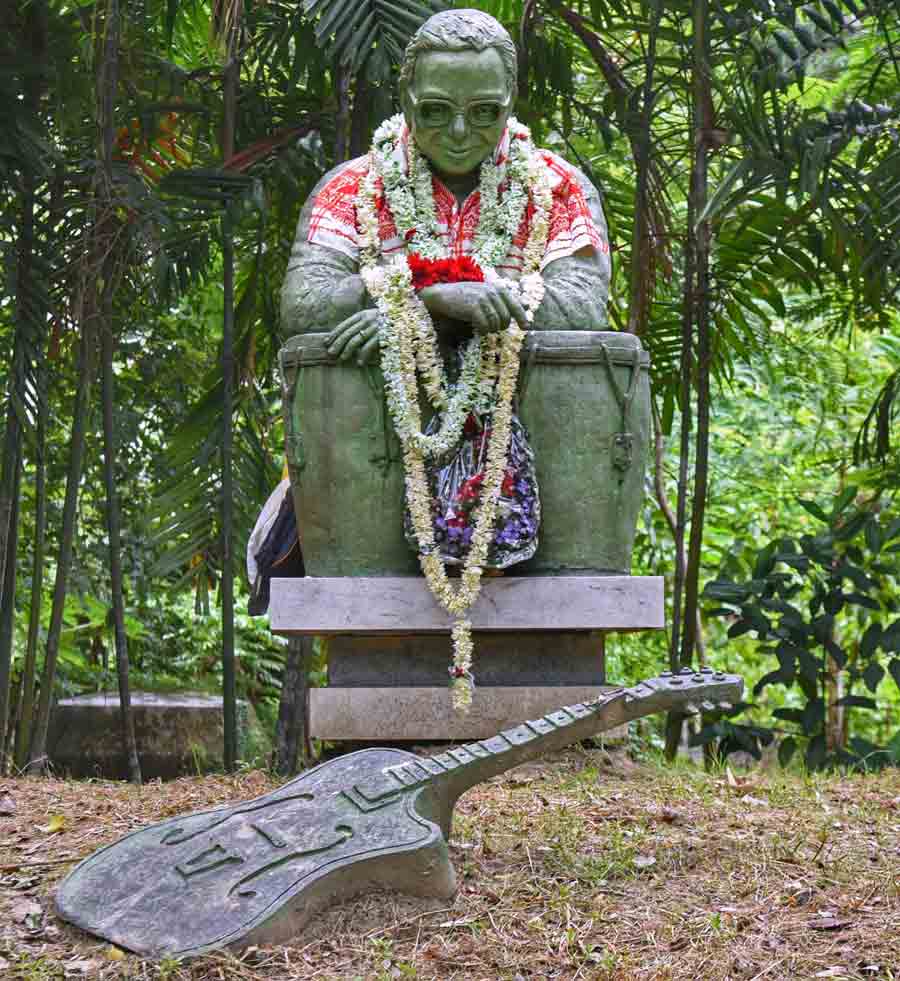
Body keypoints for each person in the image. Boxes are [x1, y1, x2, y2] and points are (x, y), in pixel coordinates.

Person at [280, 9, 611, 360]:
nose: (458, 132)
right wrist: (432, 298)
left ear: (510, 99)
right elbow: (303, 305)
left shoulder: (557, 186)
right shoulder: (350, 187)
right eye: (435, 110)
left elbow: (582, 307)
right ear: (406, 96)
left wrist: (423, 314)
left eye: (483, 111)